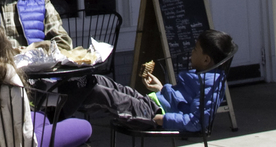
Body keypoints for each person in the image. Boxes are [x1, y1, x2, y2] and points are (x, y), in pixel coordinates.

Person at [55, 28, 235, 133]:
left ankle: (57, 113)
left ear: (206, 59)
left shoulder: (211, 85)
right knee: (97, 80)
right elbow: (182, 99)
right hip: (152, 102)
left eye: (195, 50)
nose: (191, 53)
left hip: (154, 114)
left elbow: (197, 122)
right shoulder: (203, 76)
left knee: (100, 93)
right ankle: (62, 98)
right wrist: (162, 88)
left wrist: (163, 120)